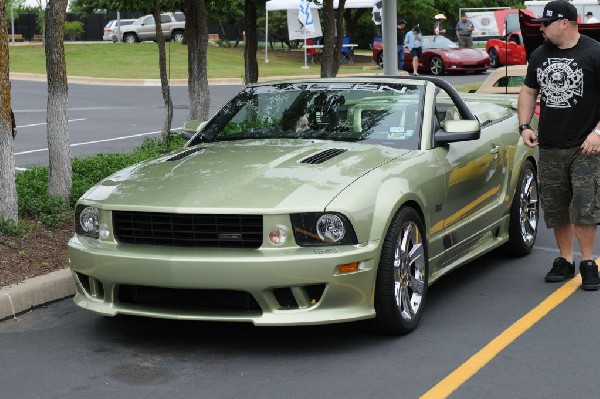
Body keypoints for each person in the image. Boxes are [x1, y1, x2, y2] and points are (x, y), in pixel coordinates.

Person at [517, 0, 600, 291]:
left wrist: (598, 132)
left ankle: (588, 263)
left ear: (565, 23)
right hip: (550, 144)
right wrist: (525, 126)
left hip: (586, 146)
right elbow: (529, 91)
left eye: (546, 23)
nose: (540, 28)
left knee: (585, 206)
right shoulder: (540, 55)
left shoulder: (594, 52)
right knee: (557, 207)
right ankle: (565, 261)